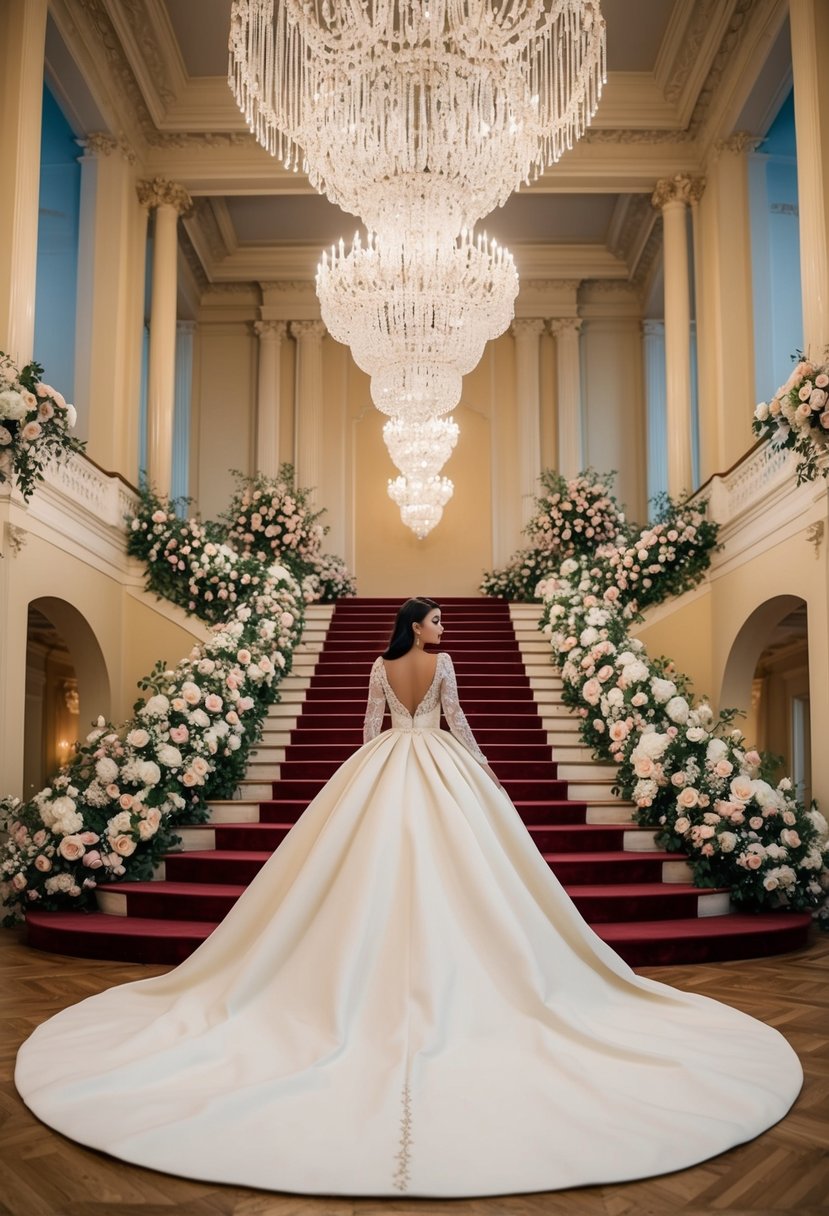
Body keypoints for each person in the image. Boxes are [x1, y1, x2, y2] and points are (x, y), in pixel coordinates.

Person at [15, 596, 801, 1199]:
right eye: (433, 620)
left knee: (365, 862)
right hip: (439, 767)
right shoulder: (442, 669)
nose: (442, 628)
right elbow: (457, 726)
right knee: (463, 865)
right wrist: (484, 778)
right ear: (415, 627)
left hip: (387, 765)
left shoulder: (377, 668)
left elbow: (366, 732)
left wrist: (361, 779)